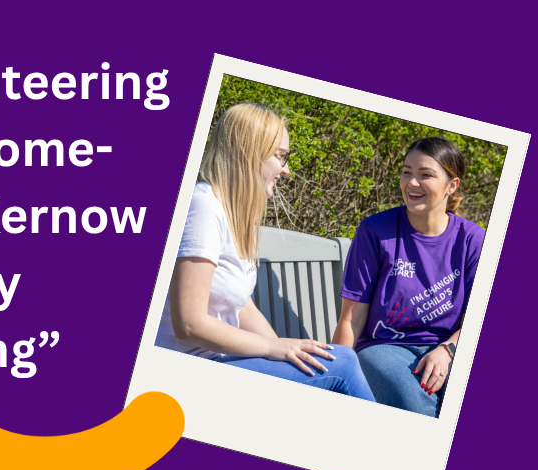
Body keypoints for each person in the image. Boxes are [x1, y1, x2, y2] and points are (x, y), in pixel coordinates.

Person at [155, 103, 375, 401]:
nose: (286, 169)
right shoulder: (203, 207)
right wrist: (274, 349)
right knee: (344, 365)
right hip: (187, 372)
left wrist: (286, 350)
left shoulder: (234, 213)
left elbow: (240, 303)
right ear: (250, 152)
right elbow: (189, 324)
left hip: (224, 361)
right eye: (280, 156)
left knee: (330, 363)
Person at [332, 137, 485, 417]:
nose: (412, 183)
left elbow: (479, 319)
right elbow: (351, 319)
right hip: (384, 348)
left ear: (452, 185)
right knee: (415, 404)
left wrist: (447, 351)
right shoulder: (375, 231)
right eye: (406, 172)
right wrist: (333, 377)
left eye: (425, 175)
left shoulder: (473, 240)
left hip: (450, 345)